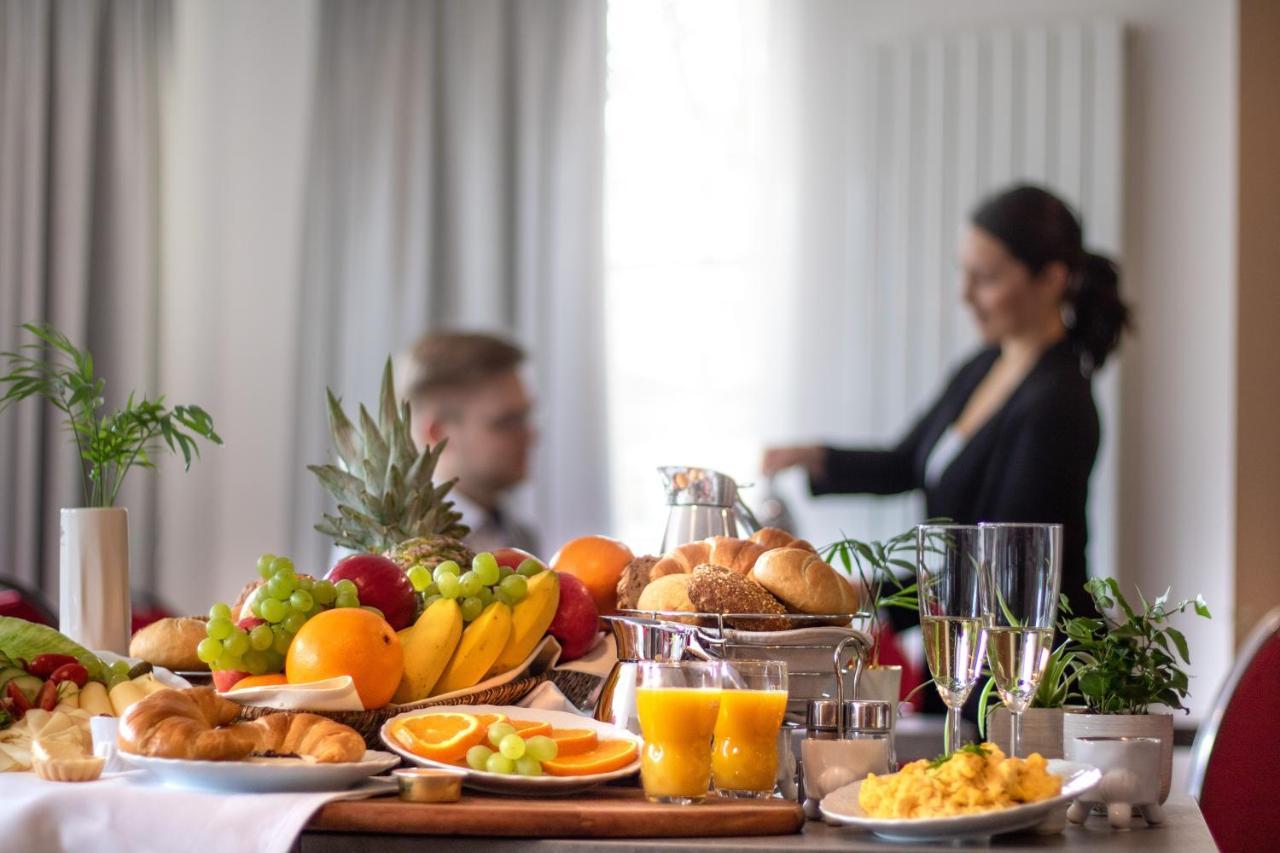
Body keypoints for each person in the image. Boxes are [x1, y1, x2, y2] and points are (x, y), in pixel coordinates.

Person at [763, 184, 1130, 619]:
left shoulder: (1059, 403)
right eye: (965, 272)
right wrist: (809, 456)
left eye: (987, 278)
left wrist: (864, 592)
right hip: (969, 641)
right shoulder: (985, 364)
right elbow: (907, 461)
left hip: (1024, 661)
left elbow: (1001, 567)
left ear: (1051, 279)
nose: (965, 294)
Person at [398, 331, 539, 556]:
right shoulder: (395, 549)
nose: (532, 435)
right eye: (507, 422)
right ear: (438, 434)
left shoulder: (523, 536)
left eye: (525, 417)